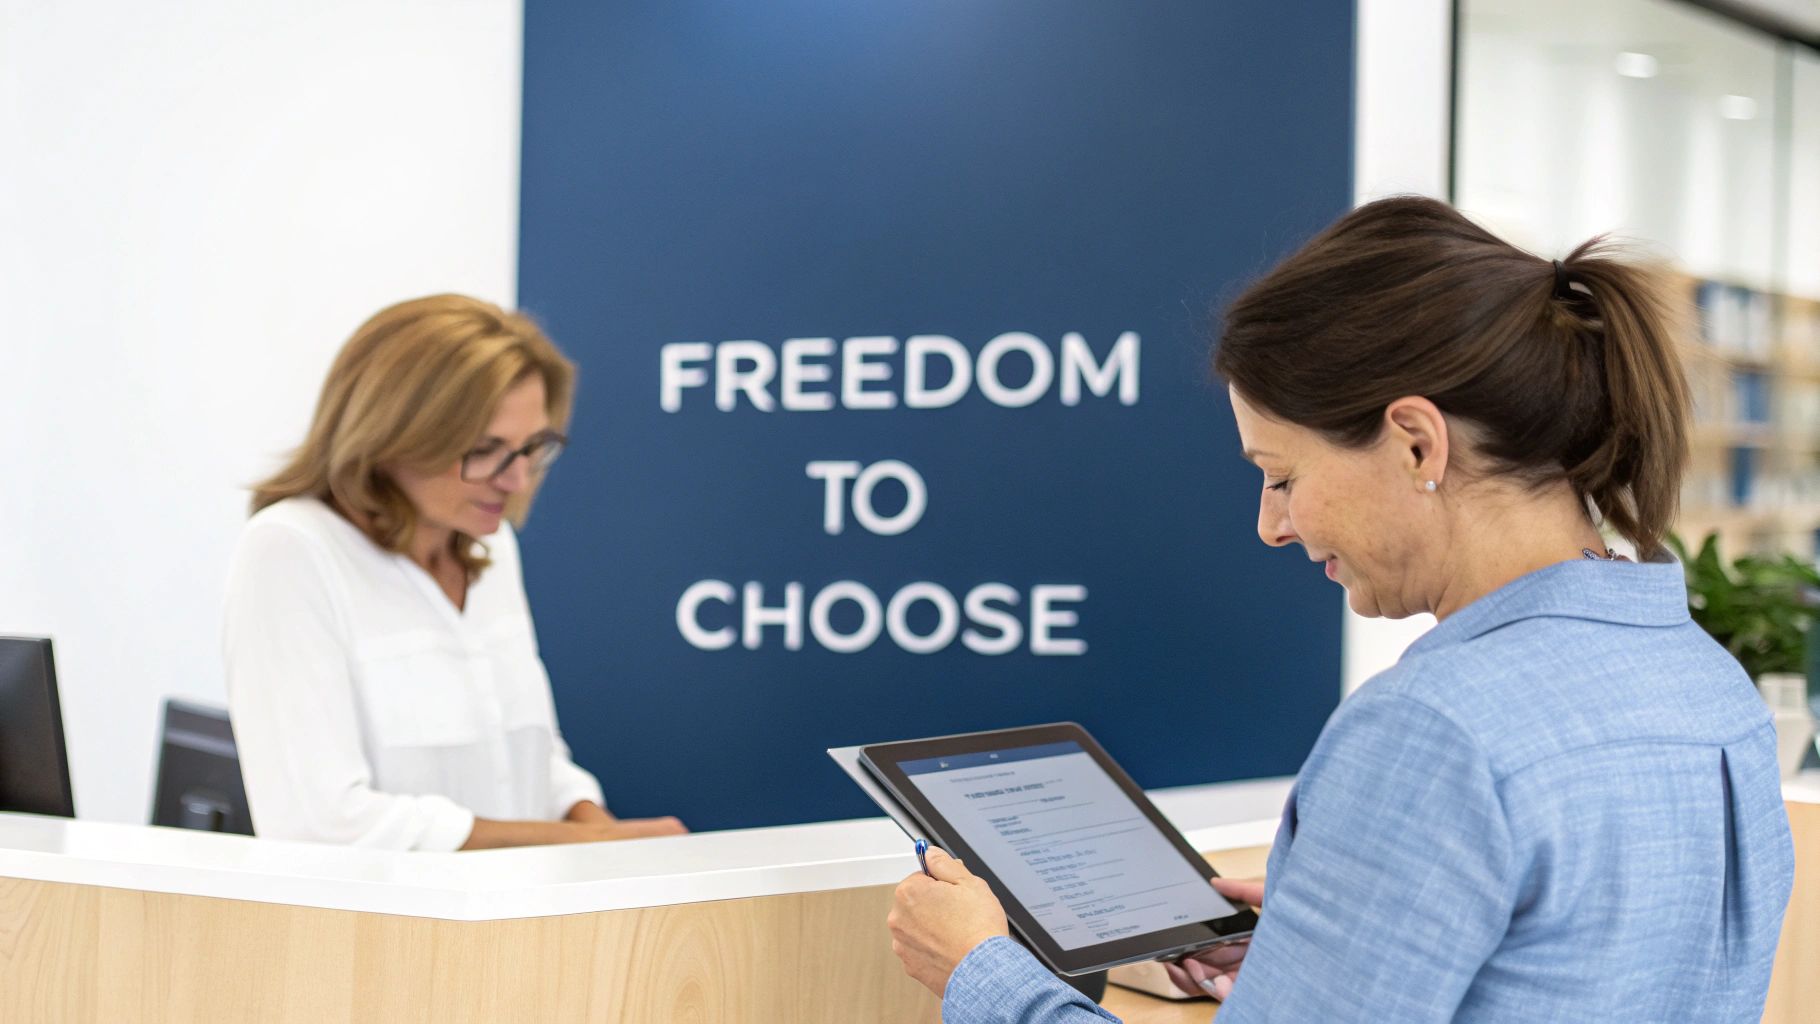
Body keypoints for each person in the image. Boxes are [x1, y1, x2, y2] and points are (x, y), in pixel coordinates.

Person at [886, 197, 1796, 1021]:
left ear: (1413, 444)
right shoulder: (1706, 684)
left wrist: (982, 972)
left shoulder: (1434, 730)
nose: (1271, 526)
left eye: (1282, 476)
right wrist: (1340, 940)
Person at [224, 294, 686, 850]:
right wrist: (578, 845)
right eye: (486, 450)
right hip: (392, 935)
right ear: (391, 435)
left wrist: (594, 823)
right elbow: (323, 826)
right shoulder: (292, 550)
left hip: (519, 925)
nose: (515, 482)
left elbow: (524, 757)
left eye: (532, 448)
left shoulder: (492, 549)